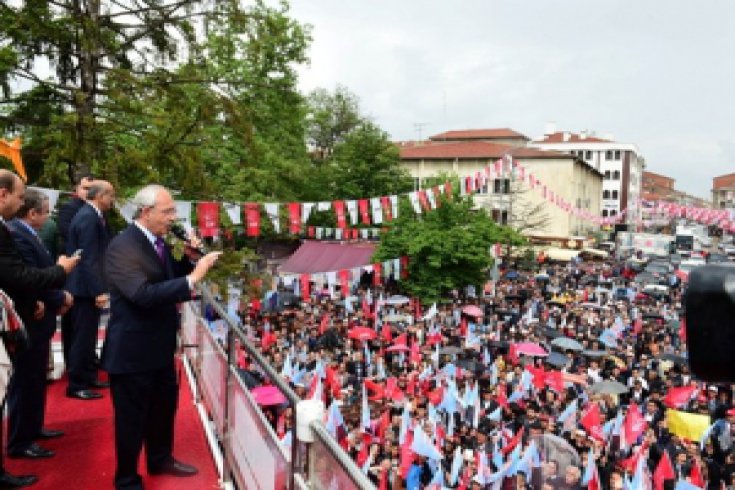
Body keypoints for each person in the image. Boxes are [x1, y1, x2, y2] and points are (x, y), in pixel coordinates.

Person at [102, 184, 221, 490]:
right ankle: (127, 479)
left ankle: (160, 458)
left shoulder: (159, 242)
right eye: (167, 211)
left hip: (160, 346)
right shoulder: (122, 247)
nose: (173, 218)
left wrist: (190, 259)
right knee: (131, 420)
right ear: (146, 212)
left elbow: (167, 279)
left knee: (163, 408)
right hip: (132, 351)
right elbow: (142, 294)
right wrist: (192, 279)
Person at [0, 169, 79, 488]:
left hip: (25, 311)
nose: (21, 203)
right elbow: (19, 275)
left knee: (31, 380)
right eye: (19, 196)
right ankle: (18, 442)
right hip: (18, 319)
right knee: (21, 382)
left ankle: (27, 434)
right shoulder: (10, 231)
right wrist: (60, 272)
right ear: (3, 194)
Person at [64, 180, 115, 400]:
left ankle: (88, 375)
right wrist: (98, 291)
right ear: (100, 195)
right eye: (111, 195)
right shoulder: (88, 217)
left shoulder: (93, 215)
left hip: (86, 286)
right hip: (84, 288)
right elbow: (88, 259)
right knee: (82, 338)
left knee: (89, 336)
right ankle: (76, 384)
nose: (113, 200)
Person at [56, 173, 94, 366]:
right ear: (76, 189)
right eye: (85, 188)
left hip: (90, 275)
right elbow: (72, 237)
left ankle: (85, 361)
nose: (89, 192)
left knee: (86, 327)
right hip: (74, 272)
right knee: (75, 325)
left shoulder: (96, 211)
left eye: (92, 188)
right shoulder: (70, 208)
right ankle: (74, 364)